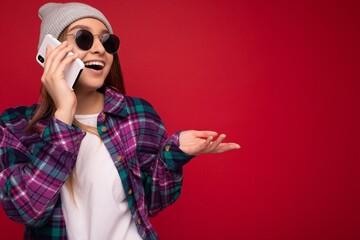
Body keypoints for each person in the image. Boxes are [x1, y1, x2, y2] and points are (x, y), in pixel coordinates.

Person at [0, 2, 240, 240]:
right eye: (84, 38)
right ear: (51, 51)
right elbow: (28, 209)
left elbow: (153, 203)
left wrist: (173, 154)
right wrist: (63, 112)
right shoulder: (14, 127)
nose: (99, 49)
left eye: (107, 41)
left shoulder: (138, 114)